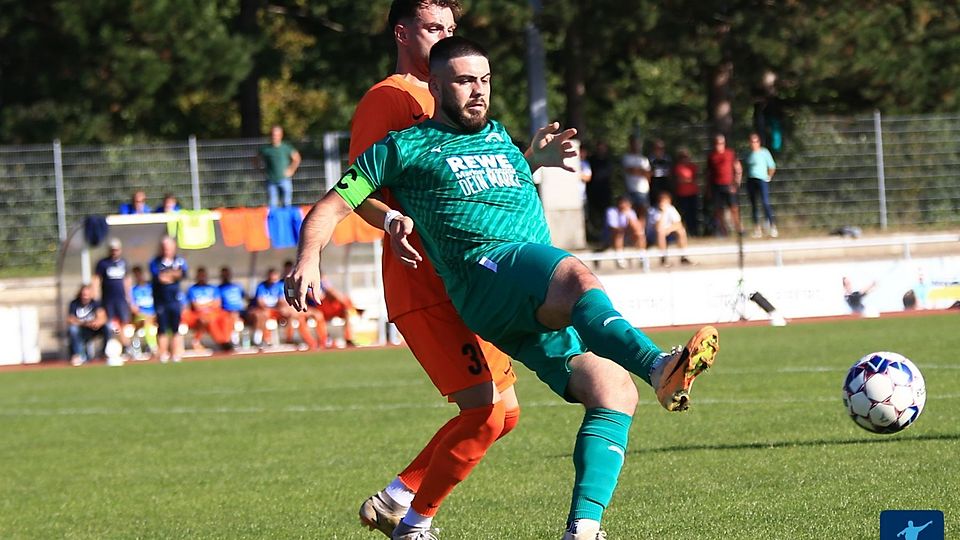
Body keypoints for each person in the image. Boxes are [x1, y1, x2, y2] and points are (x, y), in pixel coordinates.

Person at [287, 36, 720, 540]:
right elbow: (333, 204)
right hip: (486, 274)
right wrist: (308, 256)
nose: (478, 91)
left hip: (528, 294)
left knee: (613, 392)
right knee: (576, 276)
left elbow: (494, 183)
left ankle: (583, 529)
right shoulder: (401, 148)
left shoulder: (497, 136)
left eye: (485, 80)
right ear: (434, 85)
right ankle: (657, 365)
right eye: (465, 81)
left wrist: (532, 160)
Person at [332, 4, 523, 538]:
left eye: (450, 29)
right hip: (427, 281)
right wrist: (390, 216)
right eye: (433, 28)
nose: (445, 36)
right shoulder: (388, 98)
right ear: (402, 32)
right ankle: (414, 524)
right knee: (487, 413)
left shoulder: (455, 90)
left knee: (503, 416)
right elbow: (353, 187)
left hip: (470, 278)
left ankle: (395, 500)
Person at [150, 236, 188, 363]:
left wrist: (170, 275)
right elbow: (160, 278)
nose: (167, 250)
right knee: (162, 328)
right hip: (161, 301)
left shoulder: (179, 261)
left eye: (169, 248)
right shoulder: (155, 262)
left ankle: (176, 353)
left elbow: (182, 274)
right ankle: (162, 354)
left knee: (175, 328)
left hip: (175, 300)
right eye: (164, 248)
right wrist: (173, 274)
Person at [92, 238, 133, 354]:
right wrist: (96, 298)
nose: (114, 252)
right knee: (110, 323)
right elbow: (96, 280)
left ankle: (126, 346)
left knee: (124, 322)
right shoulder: (103, 264)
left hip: (121, 300)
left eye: (116, 250)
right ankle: (117, 345)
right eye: (112, 250)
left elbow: (127, 281)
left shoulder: (124, 263)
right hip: (108, 299)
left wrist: (129, 298)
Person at [182, 266, 232, 351]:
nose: (202, 278)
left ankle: (226, 339)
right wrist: (210, 304)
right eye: (200, 276)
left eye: (203, 275)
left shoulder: (213, 288)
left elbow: (217, 303)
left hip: (214, 313)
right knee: (207, 320)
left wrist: (205, 305)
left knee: (227, 318)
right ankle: (221, 341)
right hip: (199, 315)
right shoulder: (192, 289)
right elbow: (196, 306)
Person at [705, 134, 743, 237]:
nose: (719, 145)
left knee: (734, 208)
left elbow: (738, 169)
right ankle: (723, 230)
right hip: (716, 186)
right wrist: (708, 189)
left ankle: (739, 229)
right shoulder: (711, 156)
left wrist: (736, 184)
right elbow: (708, 173)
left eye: (721, 143)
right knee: (718, 209)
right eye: (717, 143)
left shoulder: (730, 153)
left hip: (729, 185)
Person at [256, 125, 301, 208]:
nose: (275, 137)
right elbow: (256, 160)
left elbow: (297, 158)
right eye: (273, 135)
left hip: (285, 179)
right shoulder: (265, 149)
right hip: (271, 180)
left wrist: (291, 170)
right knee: (272, 204)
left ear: (281, 135)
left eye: (277, 135)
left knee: (287, 204)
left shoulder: (286, 147)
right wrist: (261, 170)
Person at [743, 132, 778, 238]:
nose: (754, 144)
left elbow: (772, 166)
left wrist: (769, 176)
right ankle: (757, 228)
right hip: (751, 180)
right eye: (752, 141)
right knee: (754, 205)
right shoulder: (748, 154)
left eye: (755, 141)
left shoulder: (764, 152)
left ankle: (772, 226)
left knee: (765, 203)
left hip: (762, 180)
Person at [646, 192, 693, 267]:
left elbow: (678, 224)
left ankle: (684, 256)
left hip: (668, 233)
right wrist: (663, 212)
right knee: (660, 232)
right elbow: (658, 227)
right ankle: (663, 259)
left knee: (681, 231)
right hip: (654, 236)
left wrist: (669, 230)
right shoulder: (653, 211)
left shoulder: (671, 209)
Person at [66, 285, 108, 366]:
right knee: (73, 329)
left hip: (93, 330)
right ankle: (79, 356)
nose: (85, 297)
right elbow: (70, 319)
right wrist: (84, 323)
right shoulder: (74, 304)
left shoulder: (95, 303)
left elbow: (102, 317)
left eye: (87, 294)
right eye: (83, 294)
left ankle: (104, 352)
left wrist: (97, 323)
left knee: (108, 327)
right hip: (81, 329)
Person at [604, 195, 646, 268]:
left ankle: (642, 256)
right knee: (619, 234)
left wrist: (628, 216)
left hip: (628, 236)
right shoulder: (611, 211)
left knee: (639, 234)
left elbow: (637, 228)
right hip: (613, 237)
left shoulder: (630, 212)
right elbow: (613, 228)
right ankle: (620, 258)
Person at [584, 141, 613, 244]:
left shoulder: (608, 161)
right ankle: (595, 237)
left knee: (605, 217)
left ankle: (606, 238)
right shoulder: (591, 160)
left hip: (605, 193)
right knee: (593, 218)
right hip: (593, 193)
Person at [130, 265, 157, 359]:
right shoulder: (132, 290)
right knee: (146, 321)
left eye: (140, 274)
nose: (139, 277)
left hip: (154, 315)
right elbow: (133, 308)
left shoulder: (151, 288)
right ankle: (153, 347)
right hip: (140, 317)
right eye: (136, 275)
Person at [672, 147, 700, 236]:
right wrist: (688, 180)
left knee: (693, 213)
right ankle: (684, 232)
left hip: (693, 193)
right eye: (683, 157)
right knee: (684, 213)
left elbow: (695, 179)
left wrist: (686, 180)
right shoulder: (678, 167)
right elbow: (678, 180)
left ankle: (694, 231)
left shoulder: (693, 167)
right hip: (682, 194)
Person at [622, 133, 651, 215]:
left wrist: (639, 171)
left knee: (643, 212)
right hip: (631, 189)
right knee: (631, 213)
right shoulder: (626, 157)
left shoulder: (644, 159)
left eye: (638, 144)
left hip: (643, 190)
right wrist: (642, 171)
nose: (636, 146)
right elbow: (631, 171)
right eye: (634, 144)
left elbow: (648, 174)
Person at [218, 266, 248, 345]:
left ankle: (260, 340)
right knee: (231, 316)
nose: (226, 276)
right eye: (224, 275)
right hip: (227, 312)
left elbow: (246, 297)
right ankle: (234, 341)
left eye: (227, 274)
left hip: (241, 311)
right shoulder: (219, 289)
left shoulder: (237, 286)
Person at [647, 139, 673, 205]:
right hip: (654, 181)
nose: (659, 150)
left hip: (665, 180)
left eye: (661, 148)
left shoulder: (667, 158)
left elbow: (670, 170)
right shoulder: (650, 158)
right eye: (657, 148)